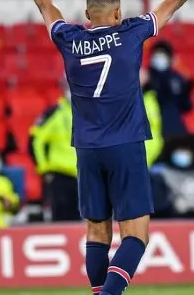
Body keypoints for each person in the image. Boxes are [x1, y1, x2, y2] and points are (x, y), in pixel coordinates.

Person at [13, 0, 194, 295]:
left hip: (87, 149)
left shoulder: (68, 38)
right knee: (137, 235)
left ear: (87, 16)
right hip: (125, 145)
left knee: (97, 233)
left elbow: (46, 6)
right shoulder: (131, 32)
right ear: (118, 13)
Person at [32, 79, 163, 222]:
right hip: (62, 175)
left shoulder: (96, 112)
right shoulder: (55, 113)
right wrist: (44, 169)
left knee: (96, 221)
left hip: (89, 173)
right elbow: (35, 140)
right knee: (64, 219)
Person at [147, 41, 193, 136]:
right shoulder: (145, 78)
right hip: (152, 130)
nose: (159, 58)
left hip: (174, 128)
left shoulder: (177, 78)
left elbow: (187, 106)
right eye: (157, 54)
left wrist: (188, 90)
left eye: (163, 54)